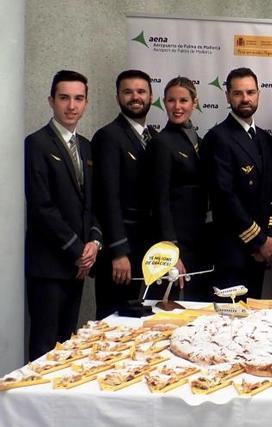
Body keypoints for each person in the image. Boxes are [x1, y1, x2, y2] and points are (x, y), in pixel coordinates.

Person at [25, 70, 102, 360]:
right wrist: (76, 249)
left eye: (78, 98)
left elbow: (92, 205)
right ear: (51, 101)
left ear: (86, 103)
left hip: (77, 266)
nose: (72, 105)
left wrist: (93, 243)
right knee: (45, 349)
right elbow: (41, 206)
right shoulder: (36, 144)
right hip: (48, 265)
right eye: (64, 98)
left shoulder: (86, 147)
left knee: (67, 346)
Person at [201, 67, 272, 299]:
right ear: (227, 96)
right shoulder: (217, 138)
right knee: (228, 324)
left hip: (262, 251)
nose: (245, 99)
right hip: (232, 250)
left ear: (258, 95)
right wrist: (259, 240)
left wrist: (270, 237)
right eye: (238, 93)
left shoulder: (265, 138)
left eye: (250, 92)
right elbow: (224, 196)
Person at [92, 70, 159, 317]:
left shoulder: (154, 136)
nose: (135, 97)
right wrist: (119, 252)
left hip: (146, 249)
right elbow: (106, 198)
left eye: (141, 91)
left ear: (151, 96)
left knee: (140, 321)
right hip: (120, 252)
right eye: (128, 92)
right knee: (113, 321)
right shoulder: (107, 137)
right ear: (118, 97)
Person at [148, 76, 212, 301]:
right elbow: (160, 200)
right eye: (171, 101)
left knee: (200, 308)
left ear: (194, 103)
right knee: (167, 305)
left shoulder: (201, 141)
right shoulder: (161, 142)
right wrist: (170, 251)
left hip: (201, 239)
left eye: (183, 100)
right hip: (175, 240)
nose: (177, 107)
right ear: (164, 103)